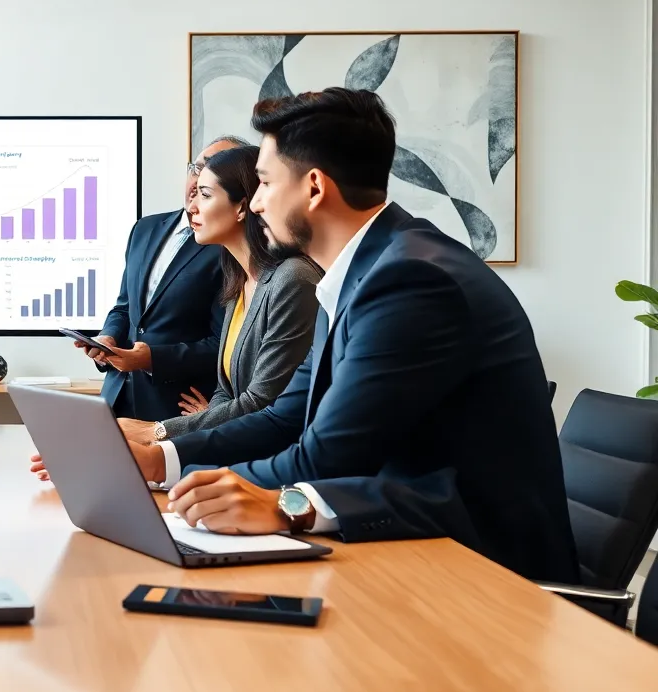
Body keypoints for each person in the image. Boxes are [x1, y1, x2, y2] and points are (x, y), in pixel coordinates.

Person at [128, 88, 578, 584]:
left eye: (265, 183)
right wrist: (160, 460)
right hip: (409, 547)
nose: (255, 203)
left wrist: (245, 497)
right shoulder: (359, 271)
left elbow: (326, 457)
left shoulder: (410, 280)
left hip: (483, 572)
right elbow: (285, 417)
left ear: (314, 188)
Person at [32, 145, 322, 481]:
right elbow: (226, 390)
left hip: (271, 475)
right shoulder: (238, 279)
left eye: (205, 195)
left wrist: (155, 432)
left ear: (243, 207)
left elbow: (260, 402)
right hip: (229, 459)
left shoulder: (292, 279)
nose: (192, 206)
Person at [79, 136, 244, 420]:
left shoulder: (229, 248)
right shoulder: (144, 228)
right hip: (116, 398)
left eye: (212, 174)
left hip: (177, 409)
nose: (198, 181)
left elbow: (225, 344)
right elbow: (125, 307)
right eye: (197, 169)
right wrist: (108, 338)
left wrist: (151, 359)